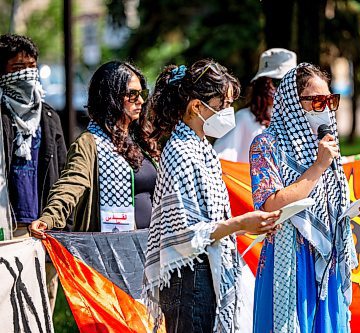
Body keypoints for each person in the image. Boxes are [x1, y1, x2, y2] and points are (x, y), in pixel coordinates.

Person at [142, 59, 281, 333]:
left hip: (204, 270)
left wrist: (248, 225)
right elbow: (184, 233)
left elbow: (211, 220)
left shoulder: (202, 147)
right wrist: (242, 224)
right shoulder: (181, 152)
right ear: (197, 106)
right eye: (223, 105)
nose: (228, 112)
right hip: (189, 278)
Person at [249, 63, 360, 332]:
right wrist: (319, 166)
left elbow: (328, 201)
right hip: (290, 260)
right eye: (317, 101)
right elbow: (270, 203)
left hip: (327, 256)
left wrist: (355, 208)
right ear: (292, 104)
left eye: (331, 100)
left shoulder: (326, 146)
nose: (327, 109)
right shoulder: (266, 144)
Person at [29, 60, 160, 236]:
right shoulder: (89, 143)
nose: (141, 101)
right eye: (133, 94)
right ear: (111, 96)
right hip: (112, 252)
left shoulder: (142, 139)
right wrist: (49, 217)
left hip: (152, 249)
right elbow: (71, 183)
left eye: (142, 93)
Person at [0, 33, 67, 312]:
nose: (27, 74)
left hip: (43, 229)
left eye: (32, 67)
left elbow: (63, 174)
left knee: (41, 310)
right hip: (7, 229)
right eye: (17, 68)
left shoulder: (49, 117)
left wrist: (60, 226)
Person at [213, 48, 297, 163]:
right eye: (277, 82)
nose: (282, 88)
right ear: (261, 83)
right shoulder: (243, 118)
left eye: (289, 83)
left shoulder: (296, 121)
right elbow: (220, 160)